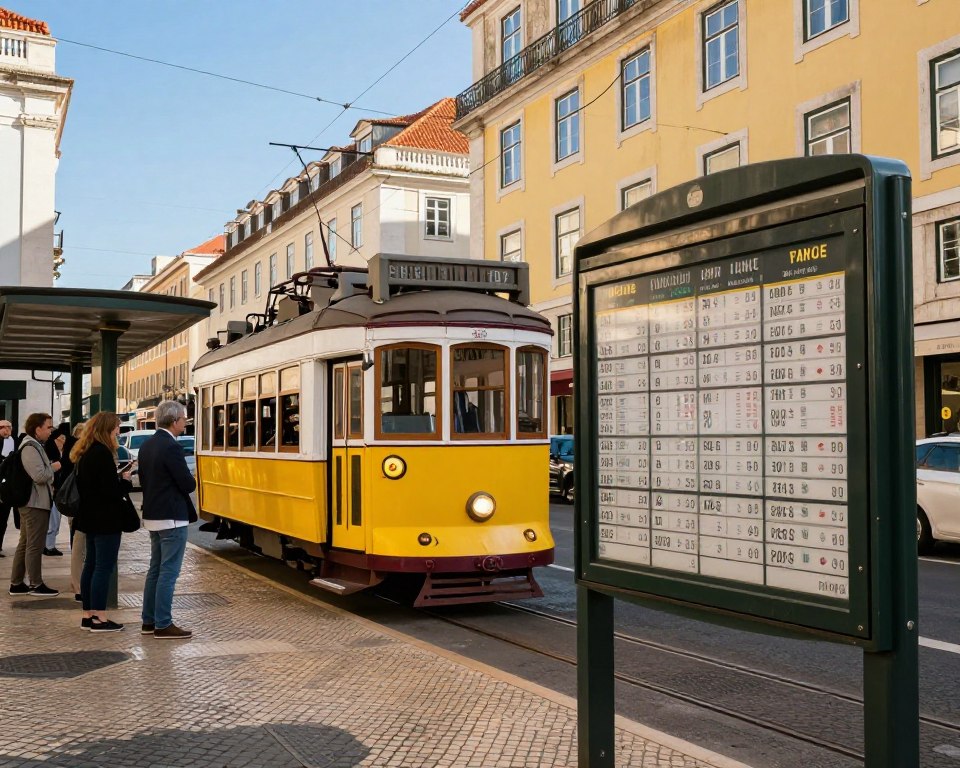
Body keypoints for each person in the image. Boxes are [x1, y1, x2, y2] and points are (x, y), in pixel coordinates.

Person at [138, 400, 196, 639]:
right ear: (174, 421)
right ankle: (163, 623)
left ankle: (148, 621)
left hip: (153, 514)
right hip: (171, 517)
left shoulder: (147, 445)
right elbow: (187, 484)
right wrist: (191, 477)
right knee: (168, 572)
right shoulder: (171, 447)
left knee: (155, 570)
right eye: (183, 419)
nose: (185, 423)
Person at [72, 412, 133, 632]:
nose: (119, 431)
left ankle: (88, 615)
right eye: (116, 427)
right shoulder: (103, 453)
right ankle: (100, 617)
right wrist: (124, 481)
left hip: (89, 517)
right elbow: (110, 492)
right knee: (103, 568)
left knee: (91, 565)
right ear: (107, 429)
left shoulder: (86, 452)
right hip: (106, 519)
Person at [8, 413, 61, 597]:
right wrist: (53, 468)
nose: (50, 430)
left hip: (33, 502)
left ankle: (17, 583)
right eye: (48, 427)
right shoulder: (30, 447)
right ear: (37, 429)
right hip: (34, 503)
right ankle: (35, 584)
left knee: (25, 543)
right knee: (34, 545)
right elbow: (38, 476)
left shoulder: (34, 445)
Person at [42, 423, 69, 557]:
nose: (63, 442)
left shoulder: (61, 453)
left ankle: (49, 544)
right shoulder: (50, 454)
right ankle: (49, 545)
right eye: (61, 439)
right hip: (52, 490)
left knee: (55, 519)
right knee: (53, 520)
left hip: (58, 489)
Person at [67, 422, 86, 601]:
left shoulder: (75, 453)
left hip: (78, 507)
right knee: (80, 547)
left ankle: (78, 585)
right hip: (82, 508)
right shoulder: (84, 454)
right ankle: (79, 586)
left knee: (78, 547)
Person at [0, 419, 14, 556]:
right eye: (5, 427)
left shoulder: (11, 441)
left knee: (3, 519)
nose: (8, 430)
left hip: (6, 486)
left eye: (9, 427)